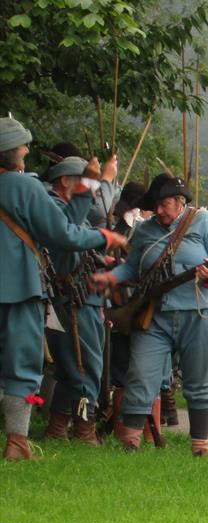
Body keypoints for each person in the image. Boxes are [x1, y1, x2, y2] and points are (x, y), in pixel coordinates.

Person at [1, 117, 123, 459]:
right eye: (22, 145)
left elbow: (70, 220)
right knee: (23, 366)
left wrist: (89, 185)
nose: (27, 150)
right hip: (20, 289)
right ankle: (17, 443)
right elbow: (64, 234)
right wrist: (103, 236)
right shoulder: (24, 187)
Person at [90, 174, 208, 456]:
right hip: (155, 314)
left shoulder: (206, 222)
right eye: (156, 204)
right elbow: (132, 267)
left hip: (200, 312)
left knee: (201, 379)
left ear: (179, 201)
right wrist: (110, 278)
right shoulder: (145, 231)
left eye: (165, 204)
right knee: (141, 375)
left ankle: (200, 444)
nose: (159, 210)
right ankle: (130, 441)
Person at [41, 155, 112, 444]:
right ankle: (84, 430)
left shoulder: (71, 212)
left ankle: (58, 429)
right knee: (85, 368)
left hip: (85, 300)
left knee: (76, 368)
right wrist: (103, 180)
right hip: (72, 302)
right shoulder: (57, 209)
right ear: (66, 181)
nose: (88, 194)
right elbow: (79, 225)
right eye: (82, 184)